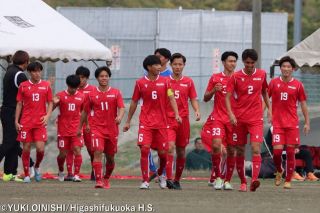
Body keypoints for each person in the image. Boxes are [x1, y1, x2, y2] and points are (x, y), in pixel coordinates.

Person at [123, 55, 181, 189]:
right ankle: (145, 181)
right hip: (146, 122)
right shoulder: (140, 83)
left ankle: (161, 174)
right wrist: (128, 121)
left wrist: (177, 114)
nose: (159, 67)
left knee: (163, 153)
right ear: (149, 67)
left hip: (162, 123)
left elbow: (171, 98)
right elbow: (134, 102)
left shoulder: (166, 81)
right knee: (144, 149)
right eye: (156, 65)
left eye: (160, 65)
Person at [226, 49, 271, 192]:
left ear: (255, 62)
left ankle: (254, 180)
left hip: (256, 118)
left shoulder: (262, 74)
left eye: (252, 63)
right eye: (247, 63)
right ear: (243, 62)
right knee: (239, 150)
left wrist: (269, 109)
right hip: (239, 119)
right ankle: (243, 182)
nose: (250, 65)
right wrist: (231, 114)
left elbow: (264, 92)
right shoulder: (236, 76)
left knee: (256, 148)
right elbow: (227, 97)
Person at [268, 56, 310, 189]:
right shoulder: (274, 83)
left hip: (292, 124)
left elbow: (303, 104)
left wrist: (307, 122)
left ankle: (288, 179)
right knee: (277, 153)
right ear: (280, 68)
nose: (286, 69)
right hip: (278, 124)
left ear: (293, 69)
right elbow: (266, 98)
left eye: (288, 67)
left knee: (291, 152)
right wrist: (267, 113)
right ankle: (279, 170)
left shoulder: (298, 85)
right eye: (284, 66)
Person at [79, 66, 125, 189]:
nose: (104, 78)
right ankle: (98, 180)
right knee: (97, 151)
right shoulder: (91, 94)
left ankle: (106, 178)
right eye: (101, 76)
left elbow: (121, 107)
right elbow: (85, 112)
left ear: (109, 77)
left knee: (110, 158)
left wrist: (120, 117)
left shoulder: (116, 92)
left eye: (106, 76)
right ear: (97, 78)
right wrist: (79, 128)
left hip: (112, 130)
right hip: (97, 128)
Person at [202, 51, 238, 190]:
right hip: (218, 117)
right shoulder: (216, 77)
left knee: (231, 151)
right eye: (230, 61)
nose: (232, 64)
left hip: (234, 120)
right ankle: (217, 178)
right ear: (223, 62)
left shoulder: (239, 78)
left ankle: (227, 180)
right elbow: (205, 98)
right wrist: (213, 91)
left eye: (234, 61)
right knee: (216, 145)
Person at [165, 53, 200, 190]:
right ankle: (168, 179)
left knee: (181, 152)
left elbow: (193, 98)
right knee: (169, 147)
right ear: (171, 65)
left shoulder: (188, 82)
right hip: (169, 120)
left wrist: (196, 110)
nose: (177, 67)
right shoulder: (165, 81)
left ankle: (177, 180)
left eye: (180, 64)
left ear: (184, 65)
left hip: (183, 121)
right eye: (175, 64)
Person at [15, 62, 53, 183]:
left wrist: (47, 115)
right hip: (26, 122)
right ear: (30, 72)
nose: (37, 74)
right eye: (35, 71)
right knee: (25, 148)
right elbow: (19, 104)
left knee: (40, 149)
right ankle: (26, 174)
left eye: (39, 71)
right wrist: (16, 121)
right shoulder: (23, 86)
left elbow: (51, 102)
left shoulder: (46, 86)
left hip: (40, 123)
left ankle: (36, 167)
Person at [0, 50, 35, 182]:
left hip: (7, 110)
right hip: (13, 112)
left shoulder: (9, 71)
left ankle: (9, 172)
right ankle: (30, 164)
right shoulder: (20, 75)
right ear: (25, 62)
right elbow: (29, 94)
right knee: (9, 142)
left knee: (13, 142)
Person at [66, 66, 95, 181]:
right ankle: (70, 173)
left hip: (89, 124)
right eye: (79, 77)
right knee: (73, 148)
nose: (81, 80)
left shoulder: (92, 90)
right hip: (74, 125)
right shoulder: (73, 88)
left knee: (91, 148)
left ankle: (95, 169)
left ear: (87, 78)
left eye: (83, 78)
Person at [53, 75, 85, 182]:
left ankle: (76, 175)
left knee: (77, 150)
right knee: (63, 153)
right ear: (67, 85)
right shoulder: (60, 96)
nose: (73, 90)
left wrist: (86, 125)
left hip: (76, 129)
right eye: (71, 87)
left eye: (75, 88)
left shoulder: (81, 97)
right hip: (63, 129)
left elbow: (84, 113)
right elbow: (50, 108)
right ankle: (61, 170)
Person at [148, 48, 172, 179]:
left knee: (164, 148)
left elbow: (172, 97)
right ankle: (152, 170)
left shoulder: (169, 76)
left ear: (167, 60)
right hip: (148, 117)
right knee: (145, 145)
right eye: (155, 56)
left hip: (165, 117)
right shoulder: (148, 74)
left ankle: (162, 172)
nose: (156, 58)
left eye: (159, 57)